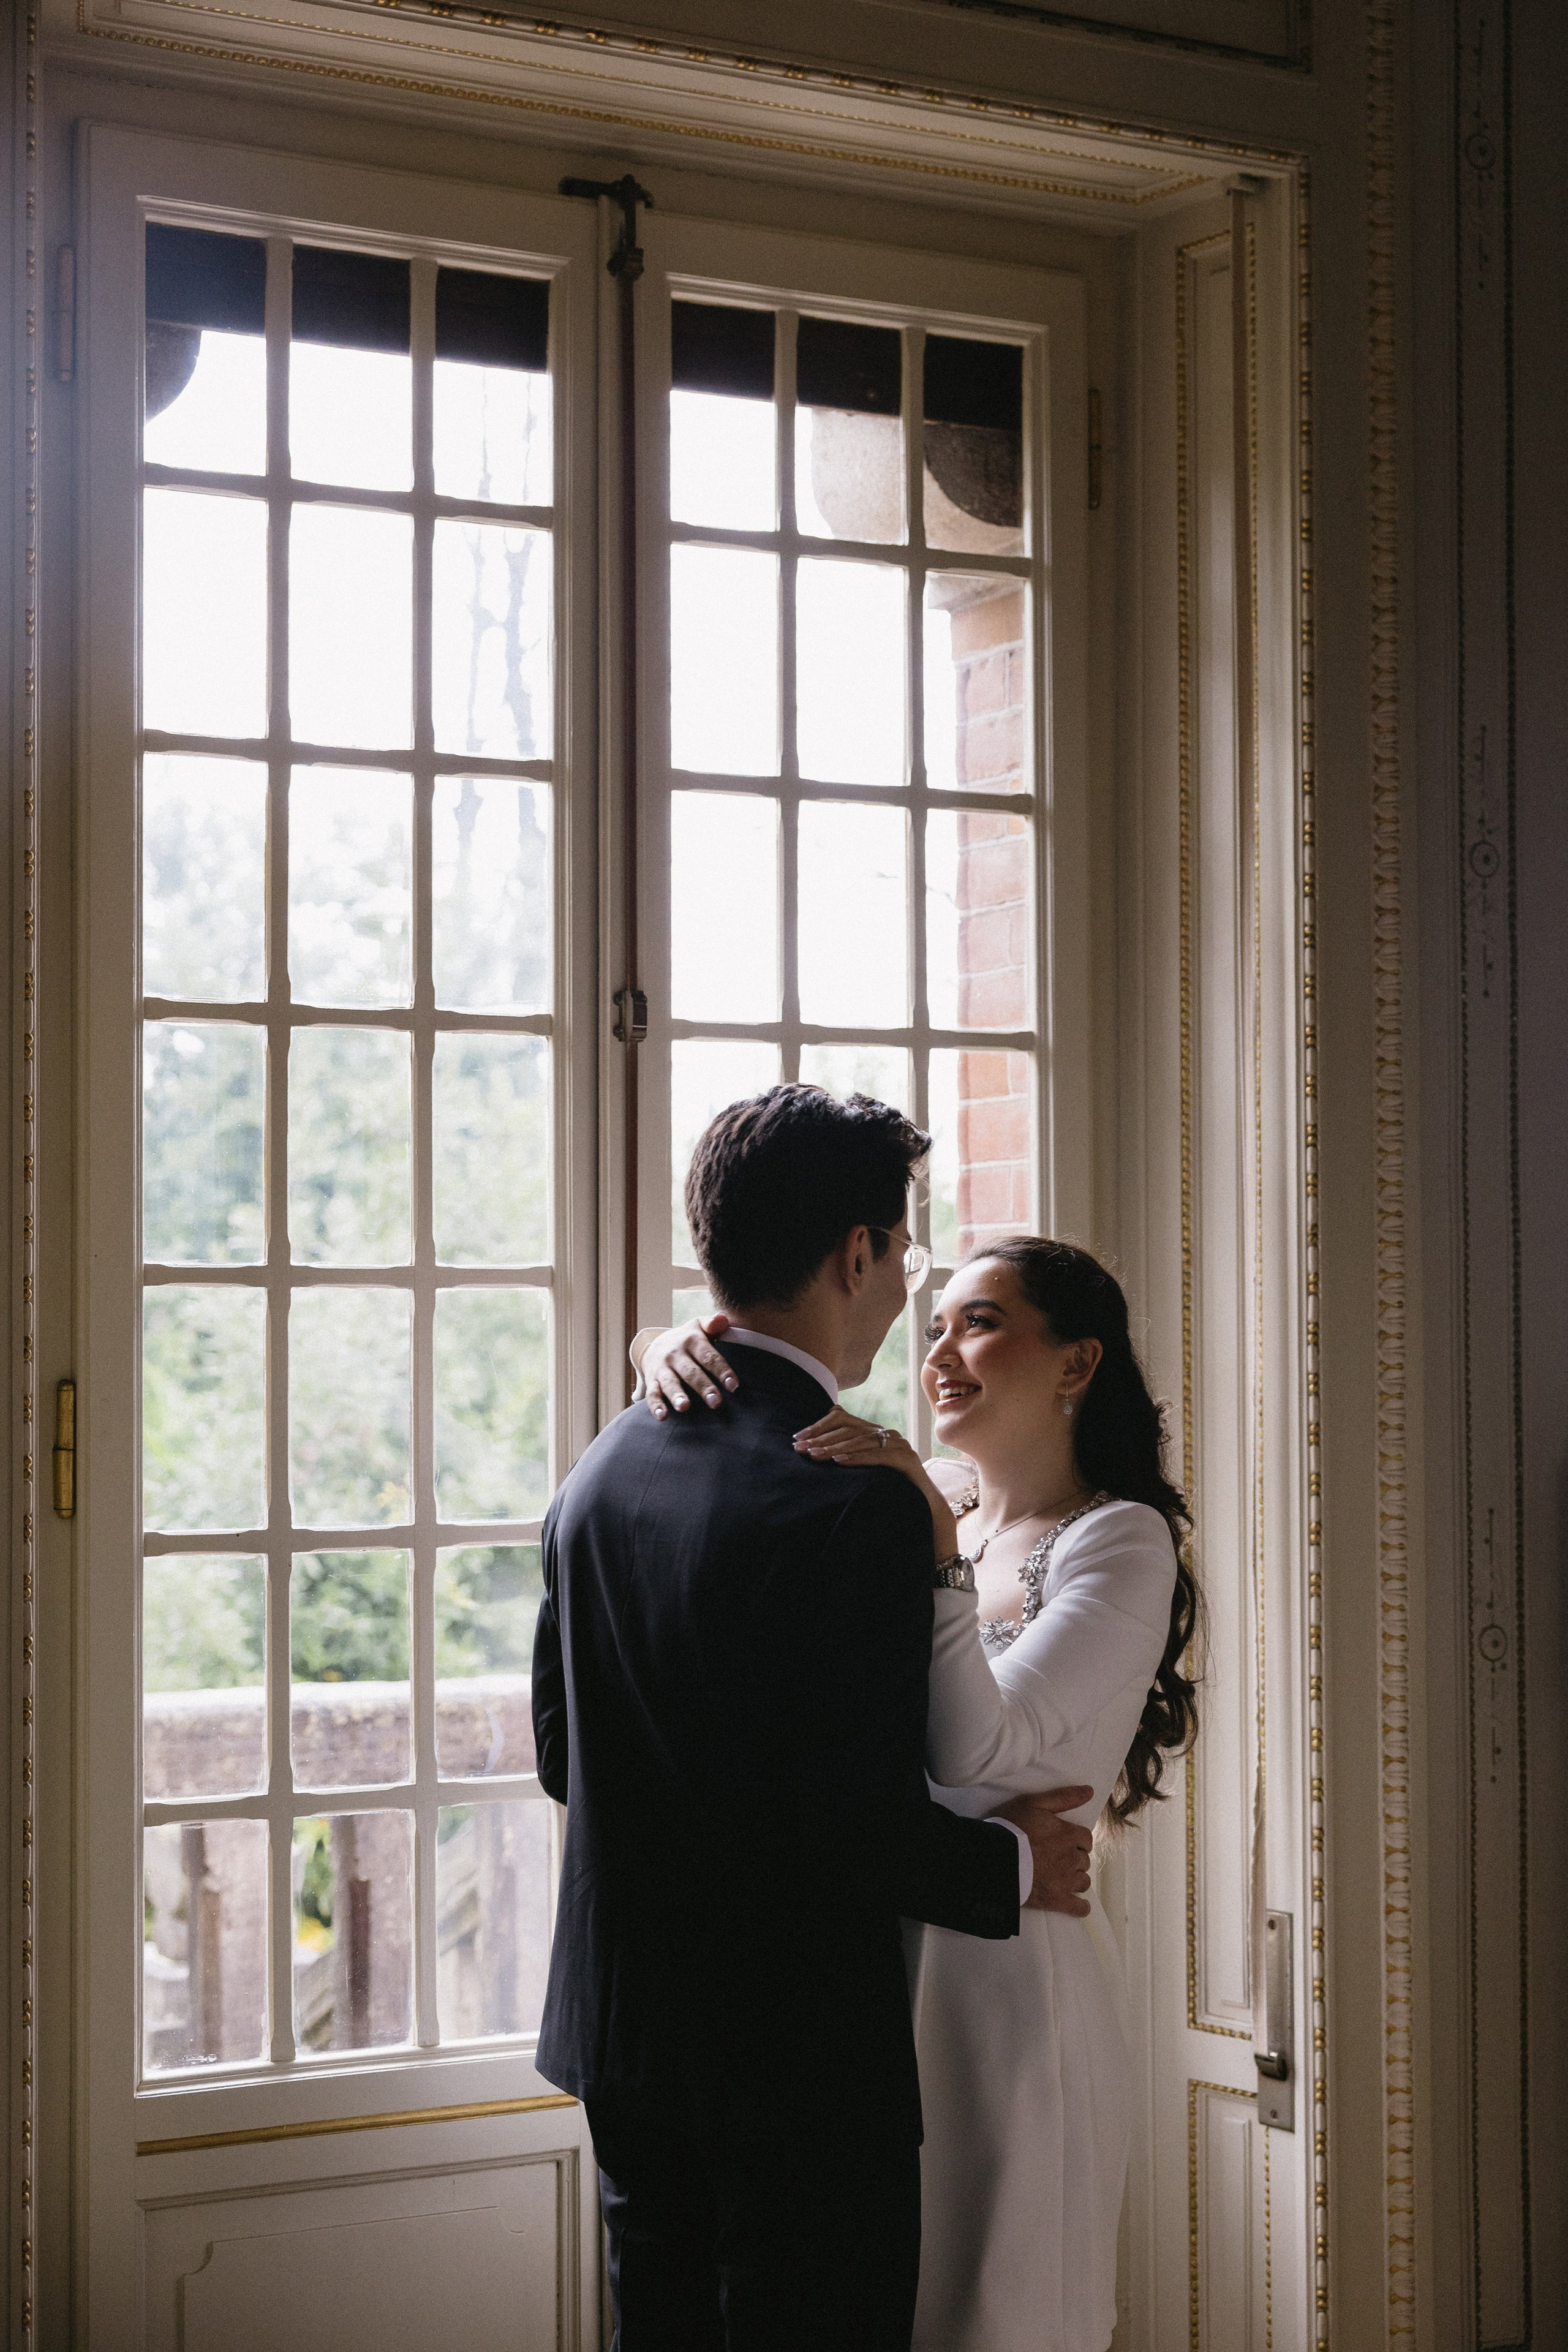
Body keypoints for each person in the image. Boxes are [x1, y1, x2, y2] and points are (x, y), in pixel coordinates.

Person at [531, 1088, 1097, 2352]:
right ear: (855, 1253)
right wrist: (1011, 1861)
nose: (904, 1282)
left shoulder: (602, 1464)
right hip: (795, 2070)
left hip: (628, 2043)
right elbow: (850, 1825)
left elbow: (566, 1755)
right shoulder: (855, 1498)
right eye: (901, 1252)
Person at [636, 1232, 1198, 2352]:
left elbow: (980, 1754)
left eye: (980, 1322)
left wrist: (938, 1546)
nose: (940, 1349)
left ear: (1077, 1364)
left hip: (1013, 1985)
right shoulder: (930, 1490)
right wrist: (662, 1349)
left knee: (998, 2314)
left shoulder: (1120, 1544)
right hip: (875, 1972)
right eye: (935, 1323)